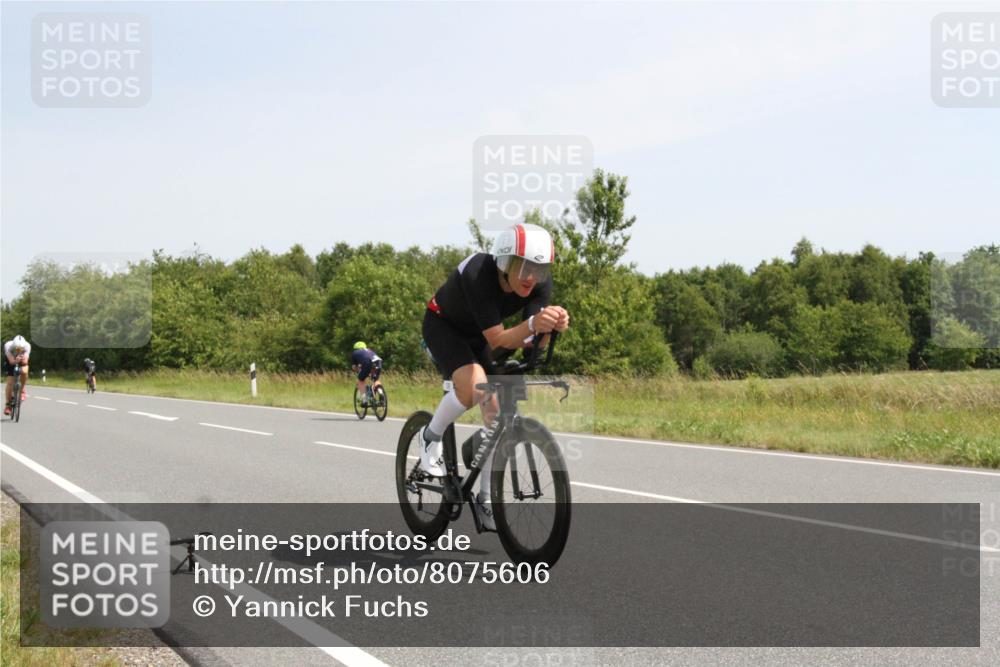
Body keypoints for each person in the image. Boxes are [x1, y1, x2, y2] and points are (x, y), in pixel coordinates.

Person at [420, 223, 569, 529]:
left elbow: (530, 342)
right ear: (505, 261)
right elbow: (500, 339)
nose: (531, 277)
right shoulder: (479, 273)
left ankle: (485, 499)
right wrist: (534, 325)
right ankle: (429, 437)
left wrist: (550, 327)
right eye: (524, 267)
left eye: (539, 269)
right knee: (475, 386)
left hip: (481, 336)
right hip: (444, 326)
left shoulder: (538, 284)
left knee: (496, 414)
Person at [3, 335, 31, 416]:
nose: (19, 350)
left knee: (25, 371)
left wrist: (22, 359)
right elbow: (11, 362)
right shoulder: (8, 346)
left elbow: (25, 362)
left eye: (21, 349)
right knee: (10, 382)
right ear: (14, 346)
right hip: (11, 360)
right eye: (17, 349)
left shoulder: (27, 346)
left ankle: (22, 391)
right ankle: (8, 405)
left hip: (22, 360)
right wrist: (16, 360)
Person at [350, 342, 382, 407]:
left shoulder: (355, 353)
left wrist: (358, 371)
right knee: (375, 380)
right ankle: (381, 393)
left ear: (356, 348)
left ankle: (365, 400)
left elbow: (354, 367)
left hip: (367, 362)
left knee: (361, 380)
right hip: (378, 362)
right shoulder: (370, 350)